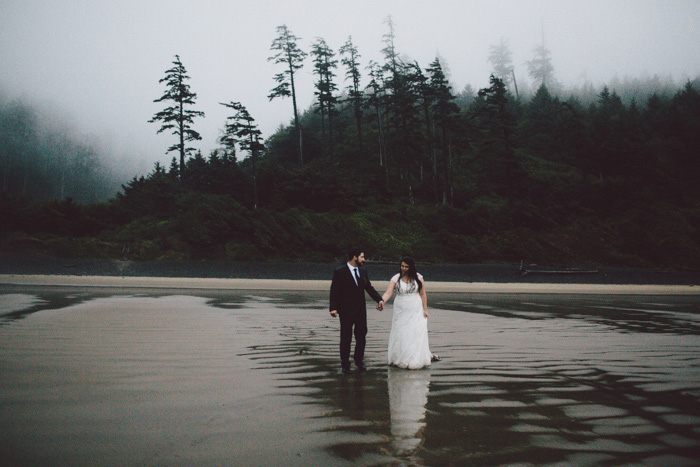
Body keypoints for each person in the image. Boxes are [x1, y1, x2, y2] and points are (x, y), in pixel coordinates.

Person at [329, 248, 385, 374]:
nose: (364, 260)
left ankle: (359, 361)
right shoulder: (340, 272)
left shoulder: (362, 271)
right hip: (345, 311)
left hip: (360, 311)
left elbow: (368, 287)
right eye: (362, 257)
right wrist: (333, 308)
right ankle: (345, 364)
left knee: (361, 337)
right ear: (354, 257)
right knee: (346, 338)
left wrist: (379, 300)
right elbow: (335, 291)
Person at [381, 257, 433, 369]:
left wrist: (425, 310)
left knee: (414, 331)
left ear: (411, 267)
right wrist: (381, 301)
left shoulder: (419, 277)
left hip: (415, 307)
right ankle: (399, 357)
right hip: (401, 308)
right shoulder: (396, 278)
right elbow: (389, 292)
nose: (404, 268)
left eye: (406, 267)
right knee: (401, 331)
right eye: (402, 266)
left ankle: (414, 358)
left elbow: (423, 294)